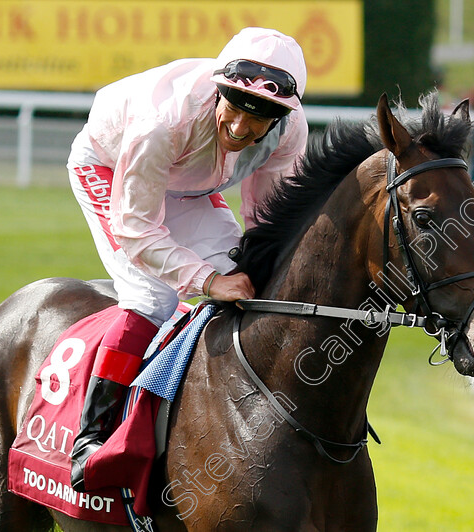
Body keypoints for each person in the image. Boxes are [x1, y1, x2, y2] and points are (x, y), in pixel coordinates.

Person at [66, 27, 309, 491]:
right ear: (219, 91)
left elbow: (266, 219)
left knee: (242, 274)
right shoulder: (163, 120)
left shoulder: (290, 130)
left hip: (188, 183)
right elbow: (136, 228)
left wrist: (240, 271)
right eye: (234, 107)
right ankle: (91, 439)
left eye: (258, 120)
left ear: (283, 114)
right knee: (152, 294)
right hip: (111, 166)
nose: (240, 129)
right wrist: (207, 281)